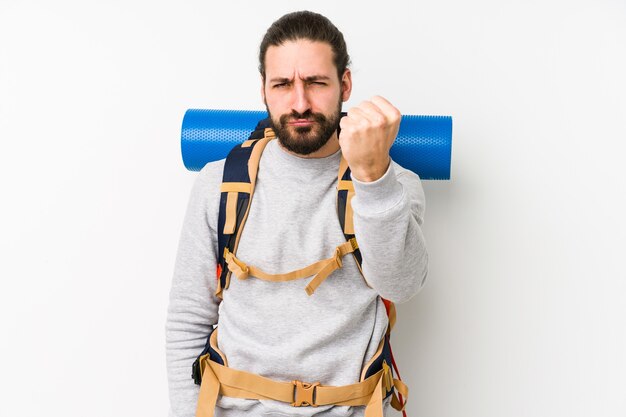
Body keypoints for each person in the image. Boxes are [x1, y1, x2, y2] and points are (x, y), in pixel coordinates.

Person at [166, 10, 429, 417]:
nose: (300, 103)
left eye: (316, 83)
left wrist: (373, 179)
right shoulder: (219, 183)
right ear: (264, 91)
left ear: (345, 84)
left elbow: (402, 283)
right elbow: (187, 321)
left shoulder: (392, 184)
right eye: (283, 84)